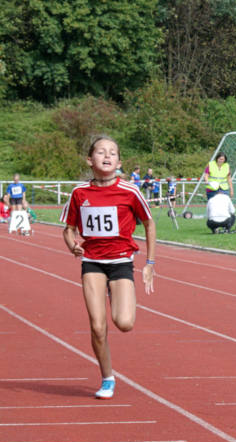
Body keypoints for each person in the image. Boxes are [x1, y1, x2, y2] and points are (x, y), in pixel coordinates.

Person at [60, 135, 156, 400]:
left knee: (124, 323)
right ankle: (107, 377)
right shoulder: (80, 193)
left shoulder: (130, 191)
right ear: (90, 160)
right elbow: (67, 230)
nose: (107, 156)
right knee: (98, 327)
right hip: (92, 262)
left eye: (112, 152)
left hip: (121, 262)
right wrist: (72, 245)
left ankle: (117, 292)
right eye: (101, 152)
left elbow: (149, 224)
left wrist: (150, 262)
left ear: (119, 161)